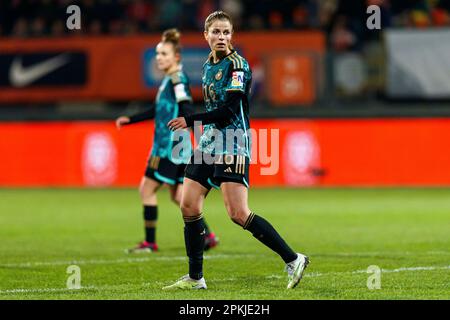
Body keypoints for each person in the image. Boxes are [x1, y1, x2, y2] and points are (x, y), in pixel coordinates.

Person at [163, 11, 309, 290]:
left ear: (232, 35)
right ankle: (196, 278)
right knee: (188, 203)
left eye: (226, 32)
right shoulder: (208, 65)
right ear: (206, 35)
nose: (221, 37)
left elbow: (229, 109)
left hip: (232, 141)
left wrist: (190, 120)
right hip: (209, 142)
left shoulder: (238, 66)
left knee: (238, 213)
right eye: (216, 32)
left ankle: (293, 259)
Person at [116, 28, 219, 254]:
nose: (159, 58)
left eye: (164, 54)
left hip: (170, 148)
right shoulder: (169, 81)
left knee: (146, 189)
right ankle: (208, 235)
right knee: (179, 196)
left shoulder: (176, 80)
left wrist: (195, 129)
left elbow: (187, 106)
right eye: (158, 54)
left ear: (176, 57)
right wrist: (131, 119)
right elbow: (158, 109)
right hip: (172, 147)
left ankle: (150, 243)